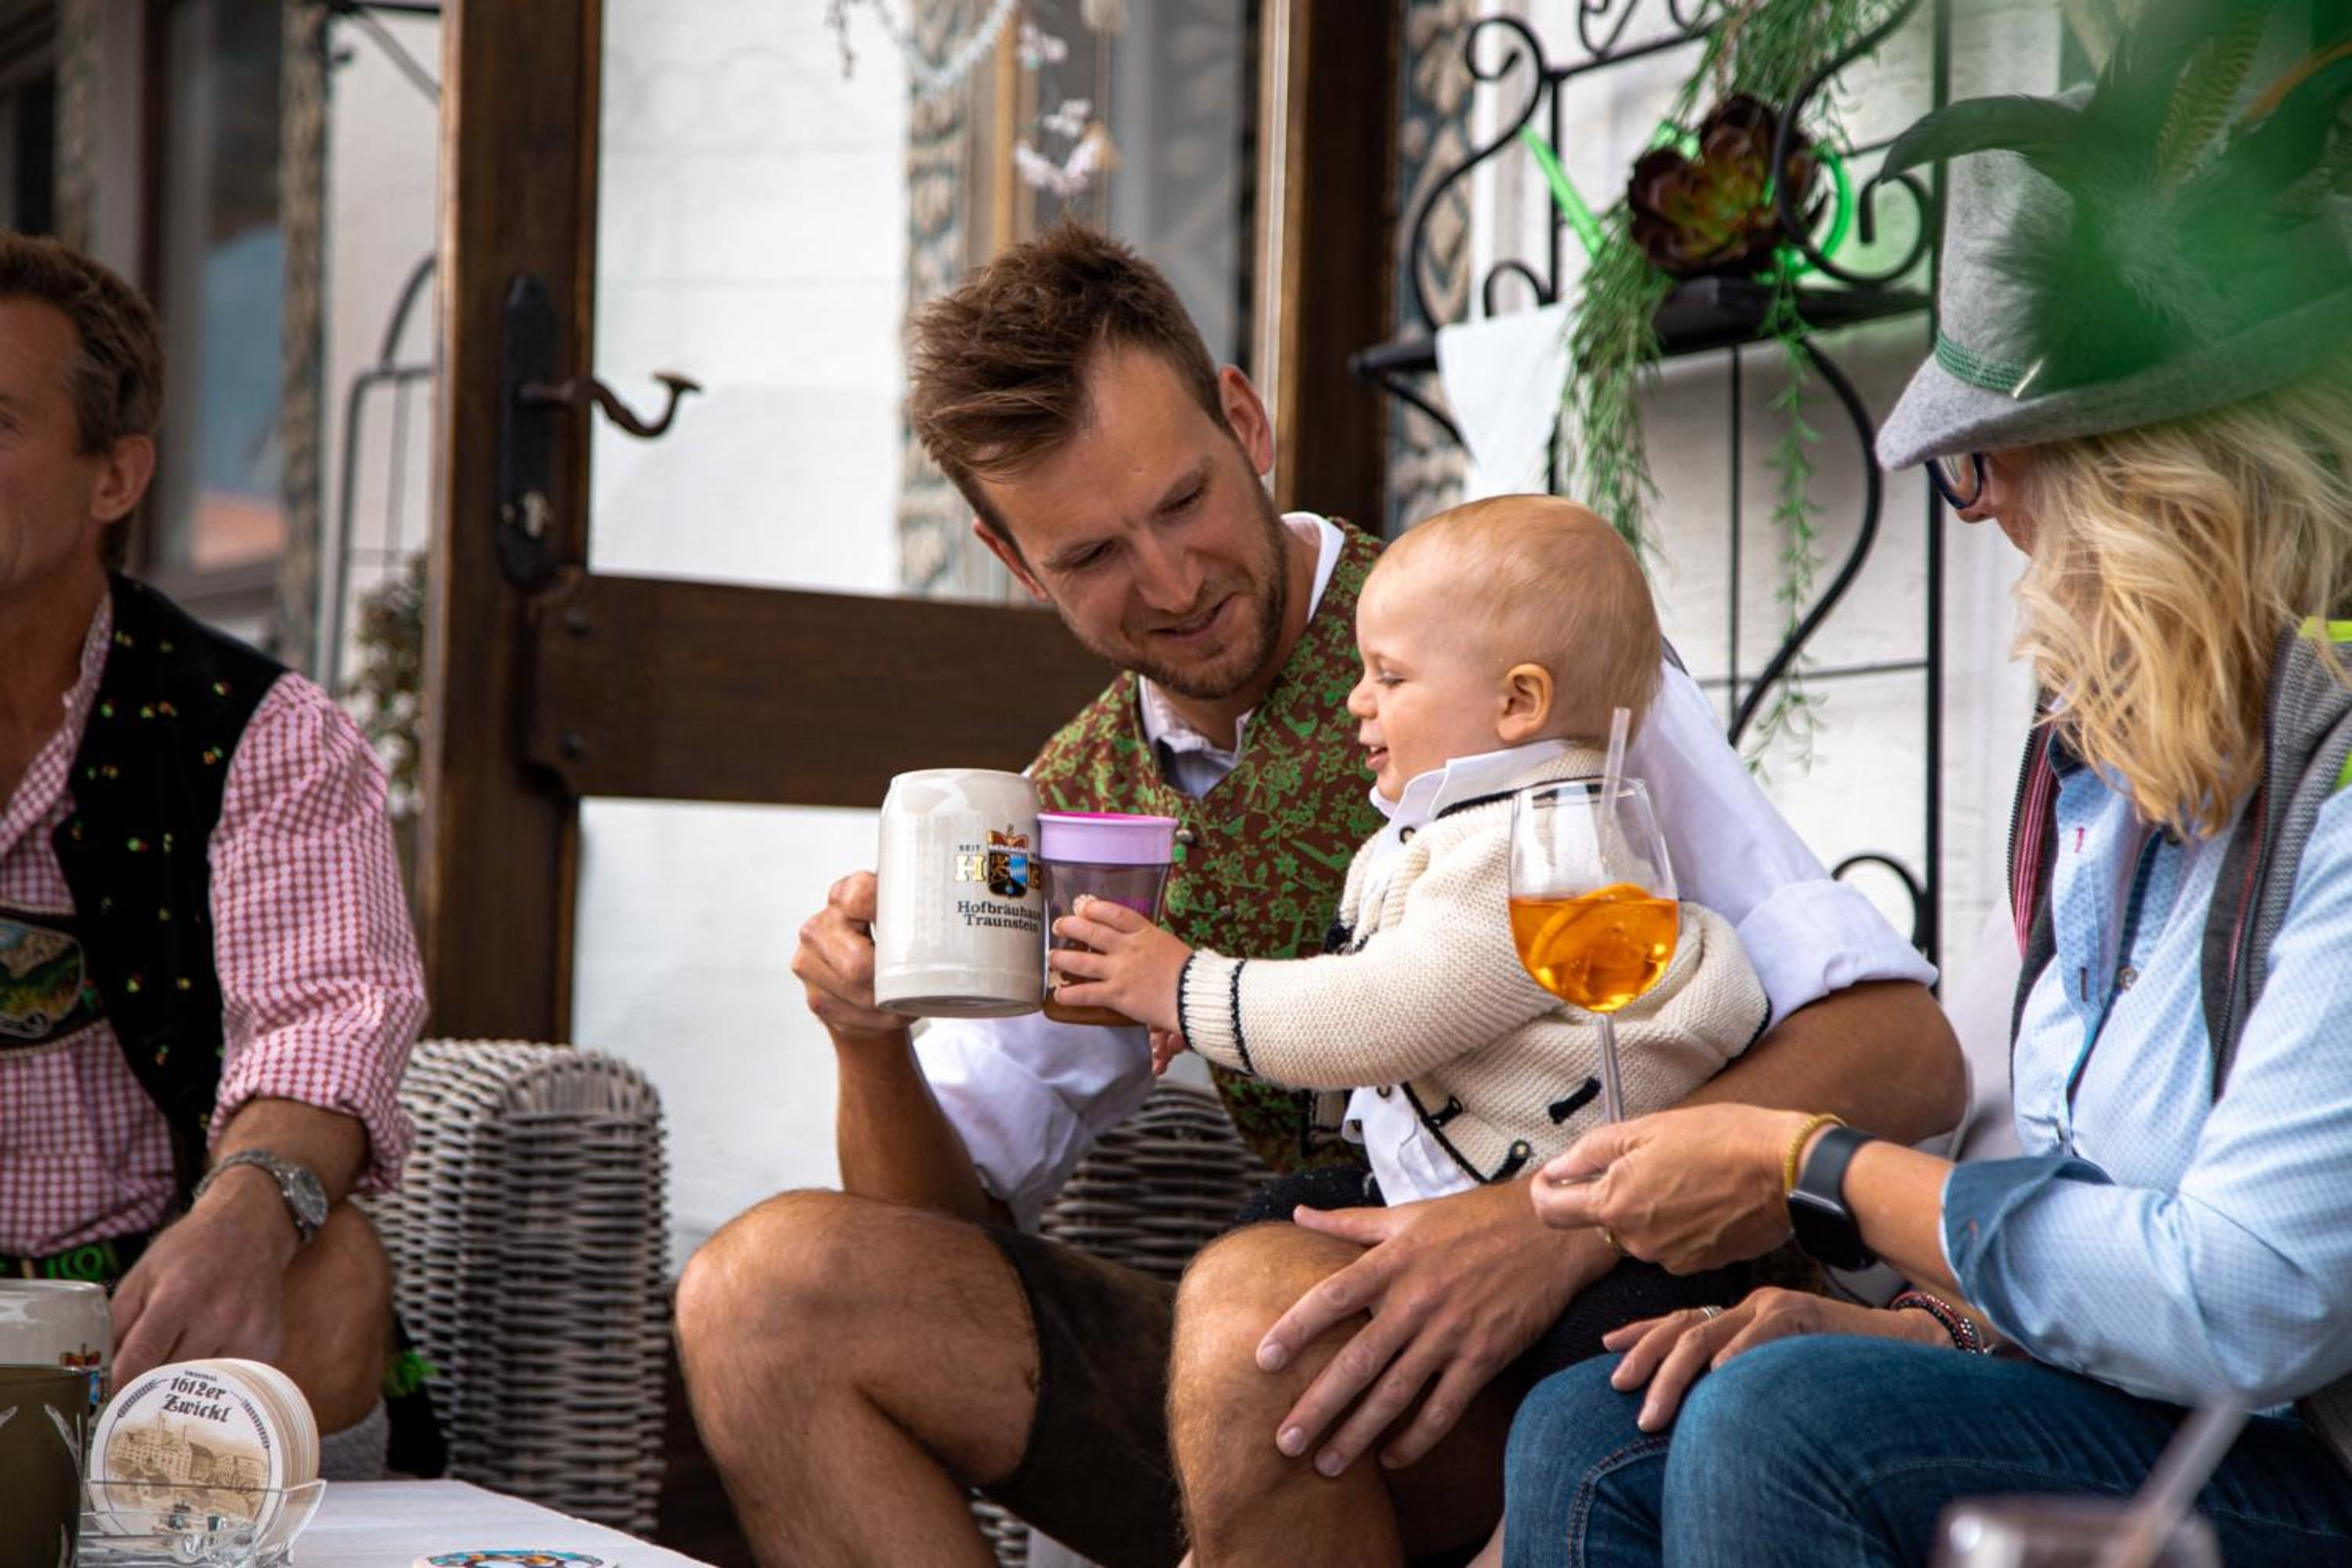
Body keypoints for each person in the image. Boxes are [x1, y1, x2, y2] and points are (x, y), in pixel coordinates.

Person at [673, 222, 1963, 1568]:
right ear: (1016, 564)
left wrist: (1544, 1228)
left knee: (1254, 1308)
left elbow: (1903, 1052)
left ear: (1246, 421)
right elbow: (938, 1239)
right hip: (1306, 1370)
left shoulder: (1501, 650)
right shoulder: (1081, 799)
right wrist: (866, 1038)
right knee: (766, 1296)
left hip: (1614, 1346)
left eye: (1184, 503)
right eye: (1093, 555)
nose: (1171, 582)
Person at [1502, 14, 2352, 1563]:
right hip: (2172, 1410)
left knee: (1784, 1428)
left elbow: (2252, 1300)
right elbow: (2098, 1187)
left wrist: (1812, 1168)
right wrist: (1931, 1327)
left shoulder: (2338, 772)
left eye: (1984, 462)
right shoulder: (2112, 767)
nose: (1978, 513)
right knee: (1598, 1427)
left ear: (2153, 482)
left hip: (2315, 1450)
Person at [0, 232, 425, 1467]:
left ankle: (181, 1507)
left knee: (331, 1270)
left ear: (115, 477)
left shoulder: (257, 731)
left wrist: (248, 1213)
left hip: (152, 1305)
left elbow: (326, 1017)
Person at [1054, 494, 1769, 1197]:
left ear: (1518, 702)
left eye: (1390, 676)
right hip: (1482, 1177)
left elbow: (1376, 1017)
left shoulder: (1528, 848)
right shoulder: (1463, 822)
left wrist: (1185, 989)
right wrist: (1204, 1021)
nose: (1356, 699)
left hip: (1556, 1205)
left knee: (1280, 1216)